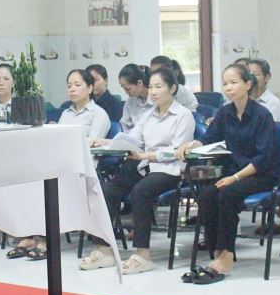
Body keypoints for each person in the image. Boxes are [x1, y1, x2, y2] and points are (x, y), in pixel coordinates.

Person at [174, 64, 280, 284]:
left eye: (234, 82)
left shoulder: (262, 114)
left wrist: (235, 177)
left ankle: (227, 255)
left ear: (248, 84)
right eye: (225, 83)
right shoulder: (225, 113)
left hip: (261, 174)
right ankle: (216, 252)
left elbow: (263, 159)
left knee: (227, 194)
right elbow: (209, 138)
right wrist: (191, 145)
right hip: (234, 172)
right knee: (206, 195)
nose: (228, 88)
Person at [81, 67, 195, 273]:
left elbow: (177, 152)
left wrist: (147, 156)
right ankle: (104, 250)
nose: (153, 92)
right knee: (106, 190)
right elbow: (133, 139)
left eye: (159, 87)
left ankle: (143, 255)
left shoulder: (183, 116)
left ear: (172, 88)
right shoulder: (149, 114)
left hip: (169, 169)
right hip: (143, 164)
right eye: (151, 87)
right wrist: (108, 142)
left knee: (140, 192)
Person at [10, 69, 111, 262]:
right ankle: (30, 237)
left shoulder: (99, 114)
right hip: (62, 164)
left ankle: (45, 242)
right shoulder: (66, 113)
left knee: (51, 186)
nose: (72, 89)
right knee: (32, 182)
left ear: (90, 88)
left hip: (84, 168)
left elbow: (91, 143)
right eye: (69, 85)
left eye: (77, 85)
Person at [118, 63, 154, 132]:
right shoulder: (130, 101)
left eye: (128, 89)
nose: (126, 92)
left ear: (139, 83)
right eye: (124, 88)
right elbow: (124, 124)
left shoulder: (158, 100)